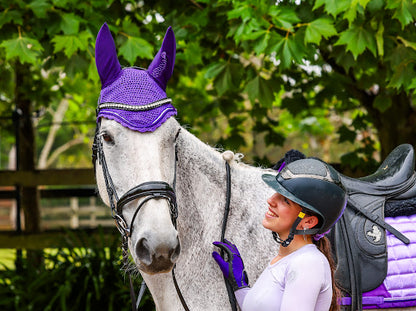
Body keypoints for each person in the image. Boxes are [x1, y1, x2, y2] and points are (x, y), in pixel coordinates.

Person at [212, 158, 347, 311]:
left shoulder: (307, 263)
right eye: (276, 193)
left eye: (285, 200)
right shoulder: (287, 259)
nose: (270, 200)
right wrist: (240, 285)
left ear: (308, 222)